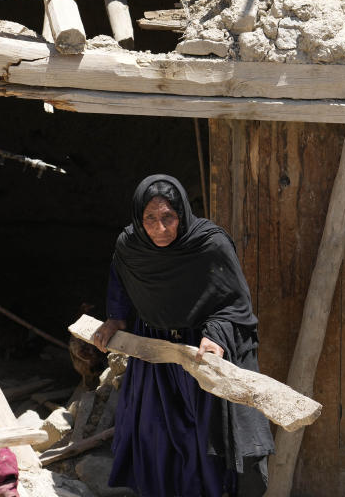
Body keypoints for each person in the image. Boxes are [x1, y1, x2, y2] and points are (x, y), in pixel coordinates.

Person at [91, 174, 274, 497]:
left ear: (182, 214)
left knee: (202, 441)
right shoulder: (130, 246)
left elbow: (235, 302)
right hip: (155, 357)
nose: (160, 228)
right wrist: (116, 318)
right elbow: (119, 277)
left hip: (200, 353)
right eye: (150, 218)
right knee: (154, 436)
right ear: (138, 217)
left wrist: (216, 335)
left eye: (168, 217)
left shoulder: (209, 244)